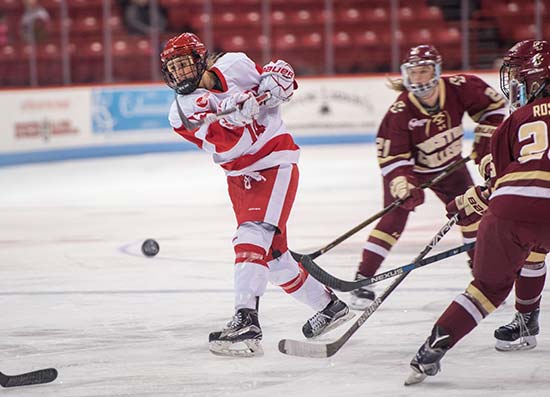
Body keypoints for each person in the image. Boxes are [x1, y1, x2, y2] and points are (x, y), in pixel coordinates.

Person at [160, 33, 352, 357]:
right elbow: (231, 139)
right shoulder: (181, 111)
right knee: (275, 261)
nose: (179, 73)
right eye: (172, 68)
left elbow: (273, 85)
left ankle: (247, 320)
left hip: (274, 161)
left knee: (250, 236)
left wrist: (280, 83)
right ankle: (329, 306)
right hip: (240, 176)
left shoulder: (236, 64)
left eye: (183, 64)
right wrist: (234, 109)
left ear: (200, 60)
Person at [405, 49, 550, 385]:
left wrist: (472, 199)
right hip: (522, 203)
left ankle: (431, 350)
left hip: (512, 211)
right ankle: (527, 321)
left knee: (487, 287)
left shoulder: (513, 122)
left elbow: (505, 183)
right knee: (535, 250)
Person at [350, 44, 507, 310]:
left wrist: (485, 137)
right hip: (413, 172)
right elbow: (392, 158)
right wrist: (404, 185)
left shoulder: (460, 87)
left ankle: (483, 279)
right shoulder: (399, 113)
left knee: (473, 215)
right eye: (414, 72)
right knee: (392, 220)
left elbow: (493, 107)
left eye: (424, 71)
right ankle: (363, 278)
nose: (418, 78)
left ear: (436, 71)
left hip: (451, 167)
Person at [492, 39, 550, 352]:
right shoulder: (524, 117)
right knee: (534, 250)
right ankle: (527, 320)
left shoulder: (524, 118)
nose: (515, 84)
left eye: (521, 78)